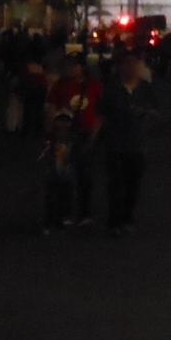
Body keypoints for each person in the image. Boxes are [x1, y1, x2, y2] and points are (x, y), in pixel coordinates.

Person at [99, 53, 155, 237]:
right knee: (115, 184)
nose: (132, 68)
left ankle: (127, 217)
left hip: (137, 143)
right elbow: (102, 113)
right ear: (121, 67)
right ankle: (114, 221)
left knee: (133, 184)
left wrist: (145, 112)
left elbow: (155, 109)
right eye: (128, 64)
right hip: (115, 142)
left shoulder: (145, 88)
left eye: (135, 64)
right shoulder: (112, 88)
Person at [47, 54, 102, 224]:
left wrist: (95, 133)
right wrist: (53, 129)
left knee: (85, 175)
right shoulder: (60, 85)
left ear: (82, 67)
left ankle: (85, 212)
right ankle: (65, 212)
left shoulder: (93, 85)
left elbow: (100, 111)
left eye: (73, 65)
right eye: (67, 65)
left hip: (86, 133)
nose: (69, 69)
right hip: (64, 135)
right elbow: (51, 106)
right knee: (63, 174)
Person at [38, 112, 76, 234]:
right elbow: (43, 154)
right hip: (53, 172)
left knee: (63, 197)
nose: (63, 125)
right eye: (60, 121)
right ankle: (49, 221)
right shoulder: (50, 138)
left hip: (65, 172)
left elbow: (75, 155)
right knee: (51, 197)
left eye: (66, 122)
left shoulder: (72, 139)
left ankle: (59, 220)